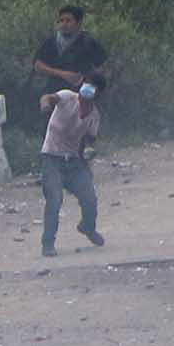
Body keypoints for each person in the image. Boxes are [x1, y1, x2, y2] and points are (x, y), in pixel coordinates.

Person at [36, 78, 105, 254]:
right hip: (52, 158)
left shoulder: (94, 116)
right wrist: (45, 106)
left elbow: (89, 141)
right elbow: (47, 98)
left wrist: (88, 154)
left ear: (93, 102)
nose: (82, 104)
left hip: (74, 161)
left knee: (90, 198)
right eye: (81, 99)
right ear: (79, 96)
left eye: (87, 102)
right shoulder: (67, 97)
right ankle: (48, 243)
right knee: (55, 199)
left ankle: (87, 227)